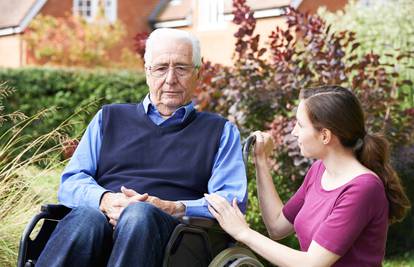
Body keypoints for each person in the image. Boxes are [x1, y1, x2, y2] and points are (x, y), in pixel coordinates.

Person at [36, 28, 247, 267]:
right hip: (101, 223)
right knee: (86, 216)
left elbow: (231, 202)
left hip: (175, 241)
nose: (170, 79)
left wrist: (174, 207)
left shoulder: (220, 131)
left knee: (138, 214)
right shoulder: (108, 118)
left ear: (198, 74)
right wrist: (105, 200)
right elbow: (71, 182)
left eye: (181, 68)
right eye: (160, 68)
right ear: (147, 73)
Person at [205, 85, 411, 267]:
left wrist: (243, 233)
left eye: (300, 125)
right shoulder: (319, 171)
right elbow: (277, 226)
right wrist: (261, 161)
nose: (294, 132)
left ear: (325, 136)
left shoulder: (362, 188)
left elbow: (312, 263)